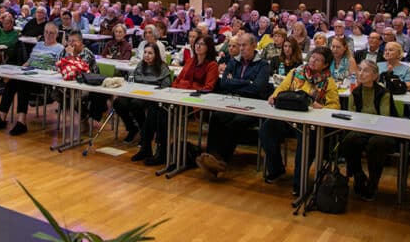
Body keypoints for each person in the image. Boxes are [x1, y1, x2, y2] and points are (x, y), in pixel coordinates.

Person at [261, 46, 339, 197]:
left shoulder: (328, 82)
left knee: (306, 141)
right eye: (312, 57)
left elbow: (335, 105)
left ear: (325, 65)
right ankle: (276, 169)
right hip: (289, 118)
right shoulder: (296, 73)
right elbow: (282, 88)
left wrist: (320, 107)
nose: (313, 61)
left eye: (318, 60)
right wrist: (274, 96)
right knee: (267, 128)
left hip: (311, 124)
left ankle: (299, 182)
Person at [195, 34, 271, 179]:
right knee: (217, 116)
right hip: (232, 101)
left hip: (253, 105)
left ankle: (221, 160)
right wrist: (247, 82)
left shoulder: (263, 65)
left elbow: (258, 88)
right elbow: (224, 83)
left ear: (254, 46)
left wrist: (235, 83)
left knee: (238, 121)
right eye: (240, 45)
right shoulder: (233, 61)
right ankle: (211, 156)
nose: (241, 49)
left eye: (244, 45)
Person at [143, 35, 219, 166]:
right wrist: (177, 88)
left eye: (201, 44)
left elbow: (208, 88)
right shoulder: (190, 61)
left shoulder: (212, 65)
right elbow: (178, 80)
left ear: (209, 47)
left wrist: (188, 86)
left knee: (163, 112)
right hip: (179, 95)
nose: (198, 46)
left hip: (196, 102)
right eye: (196, 43)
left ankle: (162, 151)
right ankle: (147, 146)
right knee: (154, 106)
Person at [340, 60, 402, 201]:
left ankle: (373, 182)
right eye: (360, 70)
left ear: (375, 76)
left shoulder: (383, 93)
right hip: (361, 129)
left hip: (383, 131)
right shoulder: (355, 92)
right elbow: (352, 115)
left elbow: (384, 118)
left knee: (376, 143)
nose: (361, 73)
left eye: (365, 71)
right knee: (349, 139)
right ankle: (358, 174)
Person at [0, 23, 64, 136]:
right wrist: (20, 70)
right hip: (29, 74)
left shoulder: (59, 48)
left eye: (51, 33)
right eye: (46, 32)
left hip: (43, 80)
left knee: (22, 84)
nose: (48, 35)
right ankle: (2, 117)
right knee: (12, 82)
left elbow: (59, 67)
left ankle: (21, 122)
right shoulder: (38, 45)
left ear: (56, 34)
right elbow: (29, 61)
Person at [114, 43, 171, 147]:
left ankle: (145, 133)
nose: (147, 55)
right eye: (145, 52)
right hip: (136, 91)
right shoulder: (141, 64)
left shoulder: (162, 66)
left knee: (135, 104)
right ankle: (132, 128)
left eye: (150, 53)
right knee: (118, 103)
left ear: (156, 54)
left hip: (151, 94)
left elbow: (166, 84)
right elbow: (133, 78)